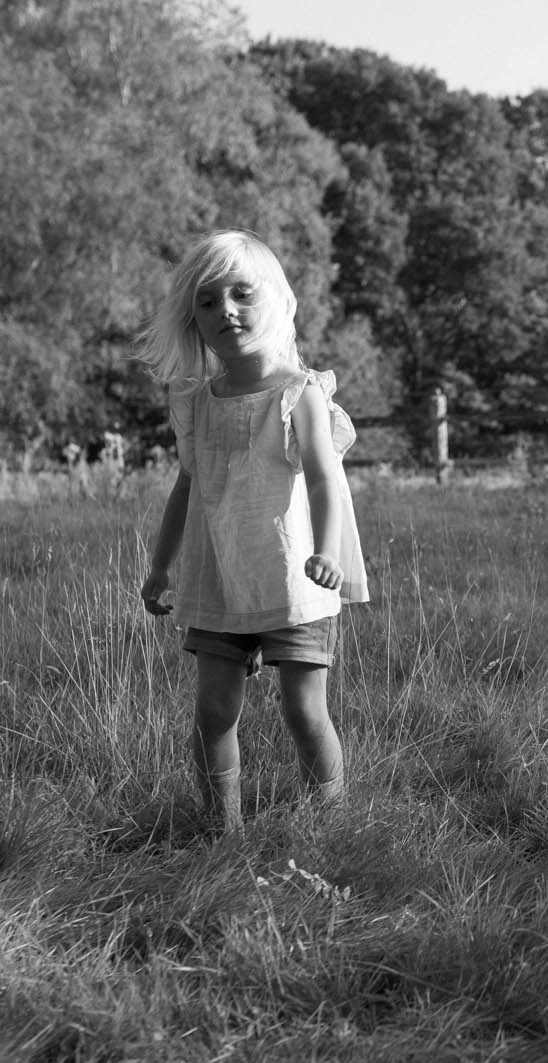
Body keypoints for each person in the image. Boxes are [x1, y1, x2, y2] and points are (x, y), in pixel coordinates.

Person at [135, 230, 368, 834]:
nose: (225, 311)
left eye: (241, 294)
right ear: (193, 319)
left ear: (277, 302)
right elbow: (188, 486)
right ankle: (222, 831)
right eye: (208, 302)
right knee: (214, 711)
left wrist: (326, 551)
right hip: (219, 576)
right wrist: (161, 567)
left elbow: (323, 478)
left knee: (302, 709)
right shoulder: (197, 401)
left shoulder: (298, 394)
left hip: (295, 578)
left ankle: (332, 823)